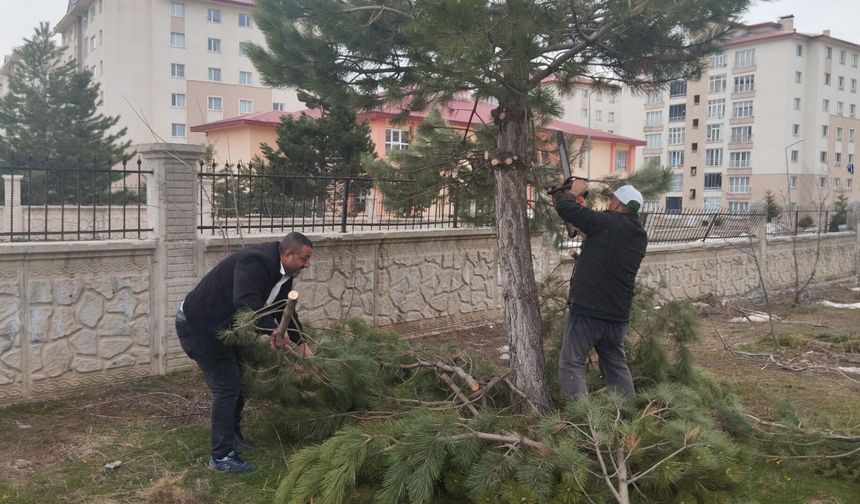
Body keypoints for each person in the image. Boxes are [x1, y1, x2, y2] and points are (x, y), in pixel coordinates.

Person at [175, 232, 314, 473]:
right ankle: (221, 457)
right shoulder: (255, 262)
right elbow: (246, 302)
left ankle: (233, 437)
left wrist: (301, 342)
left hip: (227, 328)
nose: (307, 264)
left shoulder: (284, 273)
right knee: (227, 387)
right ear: (287, 254)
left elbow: (285, 309)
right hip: (201, 327)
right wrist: (273, 332)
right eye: (304, 258)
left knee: (240, 382)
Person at [554, 181, 647, 399]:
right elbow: (608, 245)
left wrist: (573, 191)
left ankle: (582, 418)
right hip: (617, 315)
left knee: (571, 362)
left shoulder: (606, 222)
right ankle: (628, 414)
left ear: (617, 205)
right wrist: (589, 232)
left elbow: (565, 207)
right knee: (615, 365)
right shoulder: (639, 235)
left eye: (612, 199)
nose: (609, 203)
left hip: (589, 310)